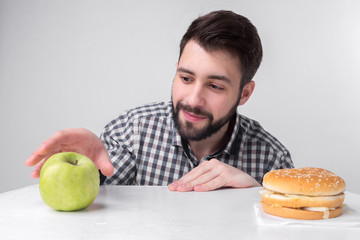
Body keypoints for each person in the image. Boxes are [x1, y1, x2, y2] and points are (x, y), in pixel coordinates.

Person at [25, 10, 294, 192]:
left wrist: (255, 197)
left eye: (214, 85)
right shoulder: (132, 131)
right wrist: (85, 173)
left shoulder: (272, 160)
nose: (193, 99)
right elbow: (95, 211)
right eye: (186, 78)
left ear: (244, 93)